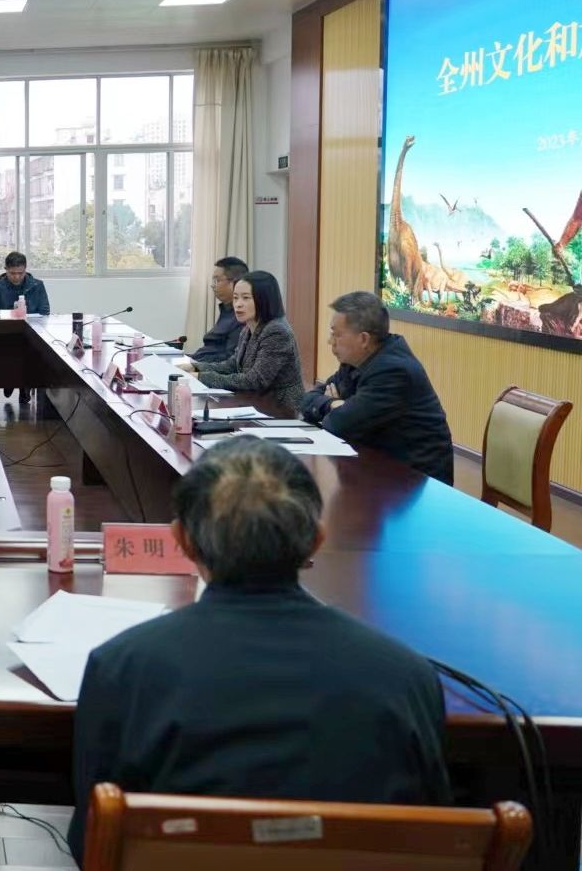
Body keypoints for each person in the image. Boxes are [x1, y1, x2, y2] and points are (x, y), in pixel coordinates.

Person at [67, 436, 450, 863]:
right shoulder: (408, 677)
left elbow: (90, 842)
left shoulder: (122, 667)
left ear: (183, 541)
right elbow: (430, 836)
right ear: (315, 541)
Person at [300, 291, 455, 485]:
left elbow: (337, 424)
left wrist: (338, 408)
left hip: (417, 482)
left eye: (336, 334)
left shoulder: (394, 371)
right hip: (379, 467)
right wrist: (334, 404)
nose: (330, 341)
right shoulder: (355, 361)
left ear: (363, 339)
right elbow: (307, 401)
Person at [181, 270, 305, 411]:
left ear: (264, 299)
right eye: (235, 298)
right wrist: (195, 367)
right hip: (255, 403)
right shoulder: (248, 328)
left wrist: (202, 377)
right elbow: (233, 365)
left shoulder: (277, 332)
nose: (238, 304)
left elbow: (255, 380)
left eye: (246, 298)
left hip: (281, 410)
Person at [190, 257, 250, 362]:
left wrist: (195, 365)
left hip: (209, 368)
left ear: (235, 283)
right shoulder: (226, 310)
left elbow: (229, 359)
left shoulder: (242, 316)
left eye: (217, 280)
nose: (213, 285)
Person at [0, 251, 51, 316]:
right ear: (6, 269)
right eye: (12, 273)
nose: (17, 277)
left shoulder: (37, 286)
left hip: (32, 323)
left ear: (25, 269)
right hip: (5, 323)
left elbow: (45, 312)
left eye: (20, 273)